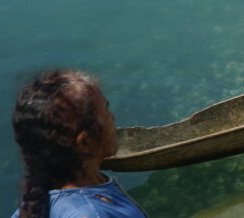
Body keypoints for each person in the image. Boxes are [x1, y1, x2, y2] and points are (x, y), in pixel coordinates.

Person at [11, 69, 148, 218]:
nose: (113, 118)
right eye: (106, 112)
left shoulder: (34, 204)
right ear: (85, 142)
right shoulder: (93, 214)